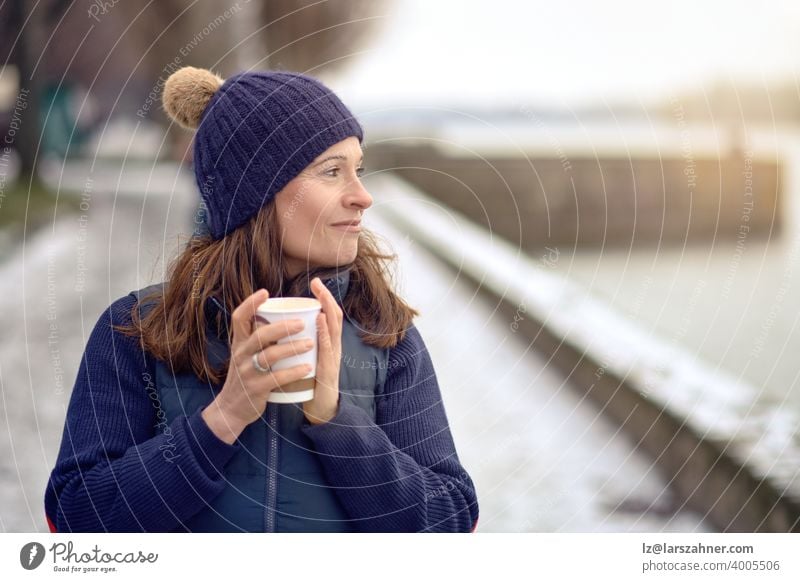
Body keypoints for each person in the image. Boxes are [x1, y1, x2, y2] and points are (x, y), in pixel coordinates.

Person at [44, 66, 479, 533]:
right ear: (256, 194)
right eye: (332, 171)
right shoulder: (135, 332)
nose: (363, 196)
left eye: (360, 170)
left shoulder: (385, 334)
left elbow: (451, 522)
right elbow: (73, 520)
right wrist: (223, 417)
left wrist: (337, 422)